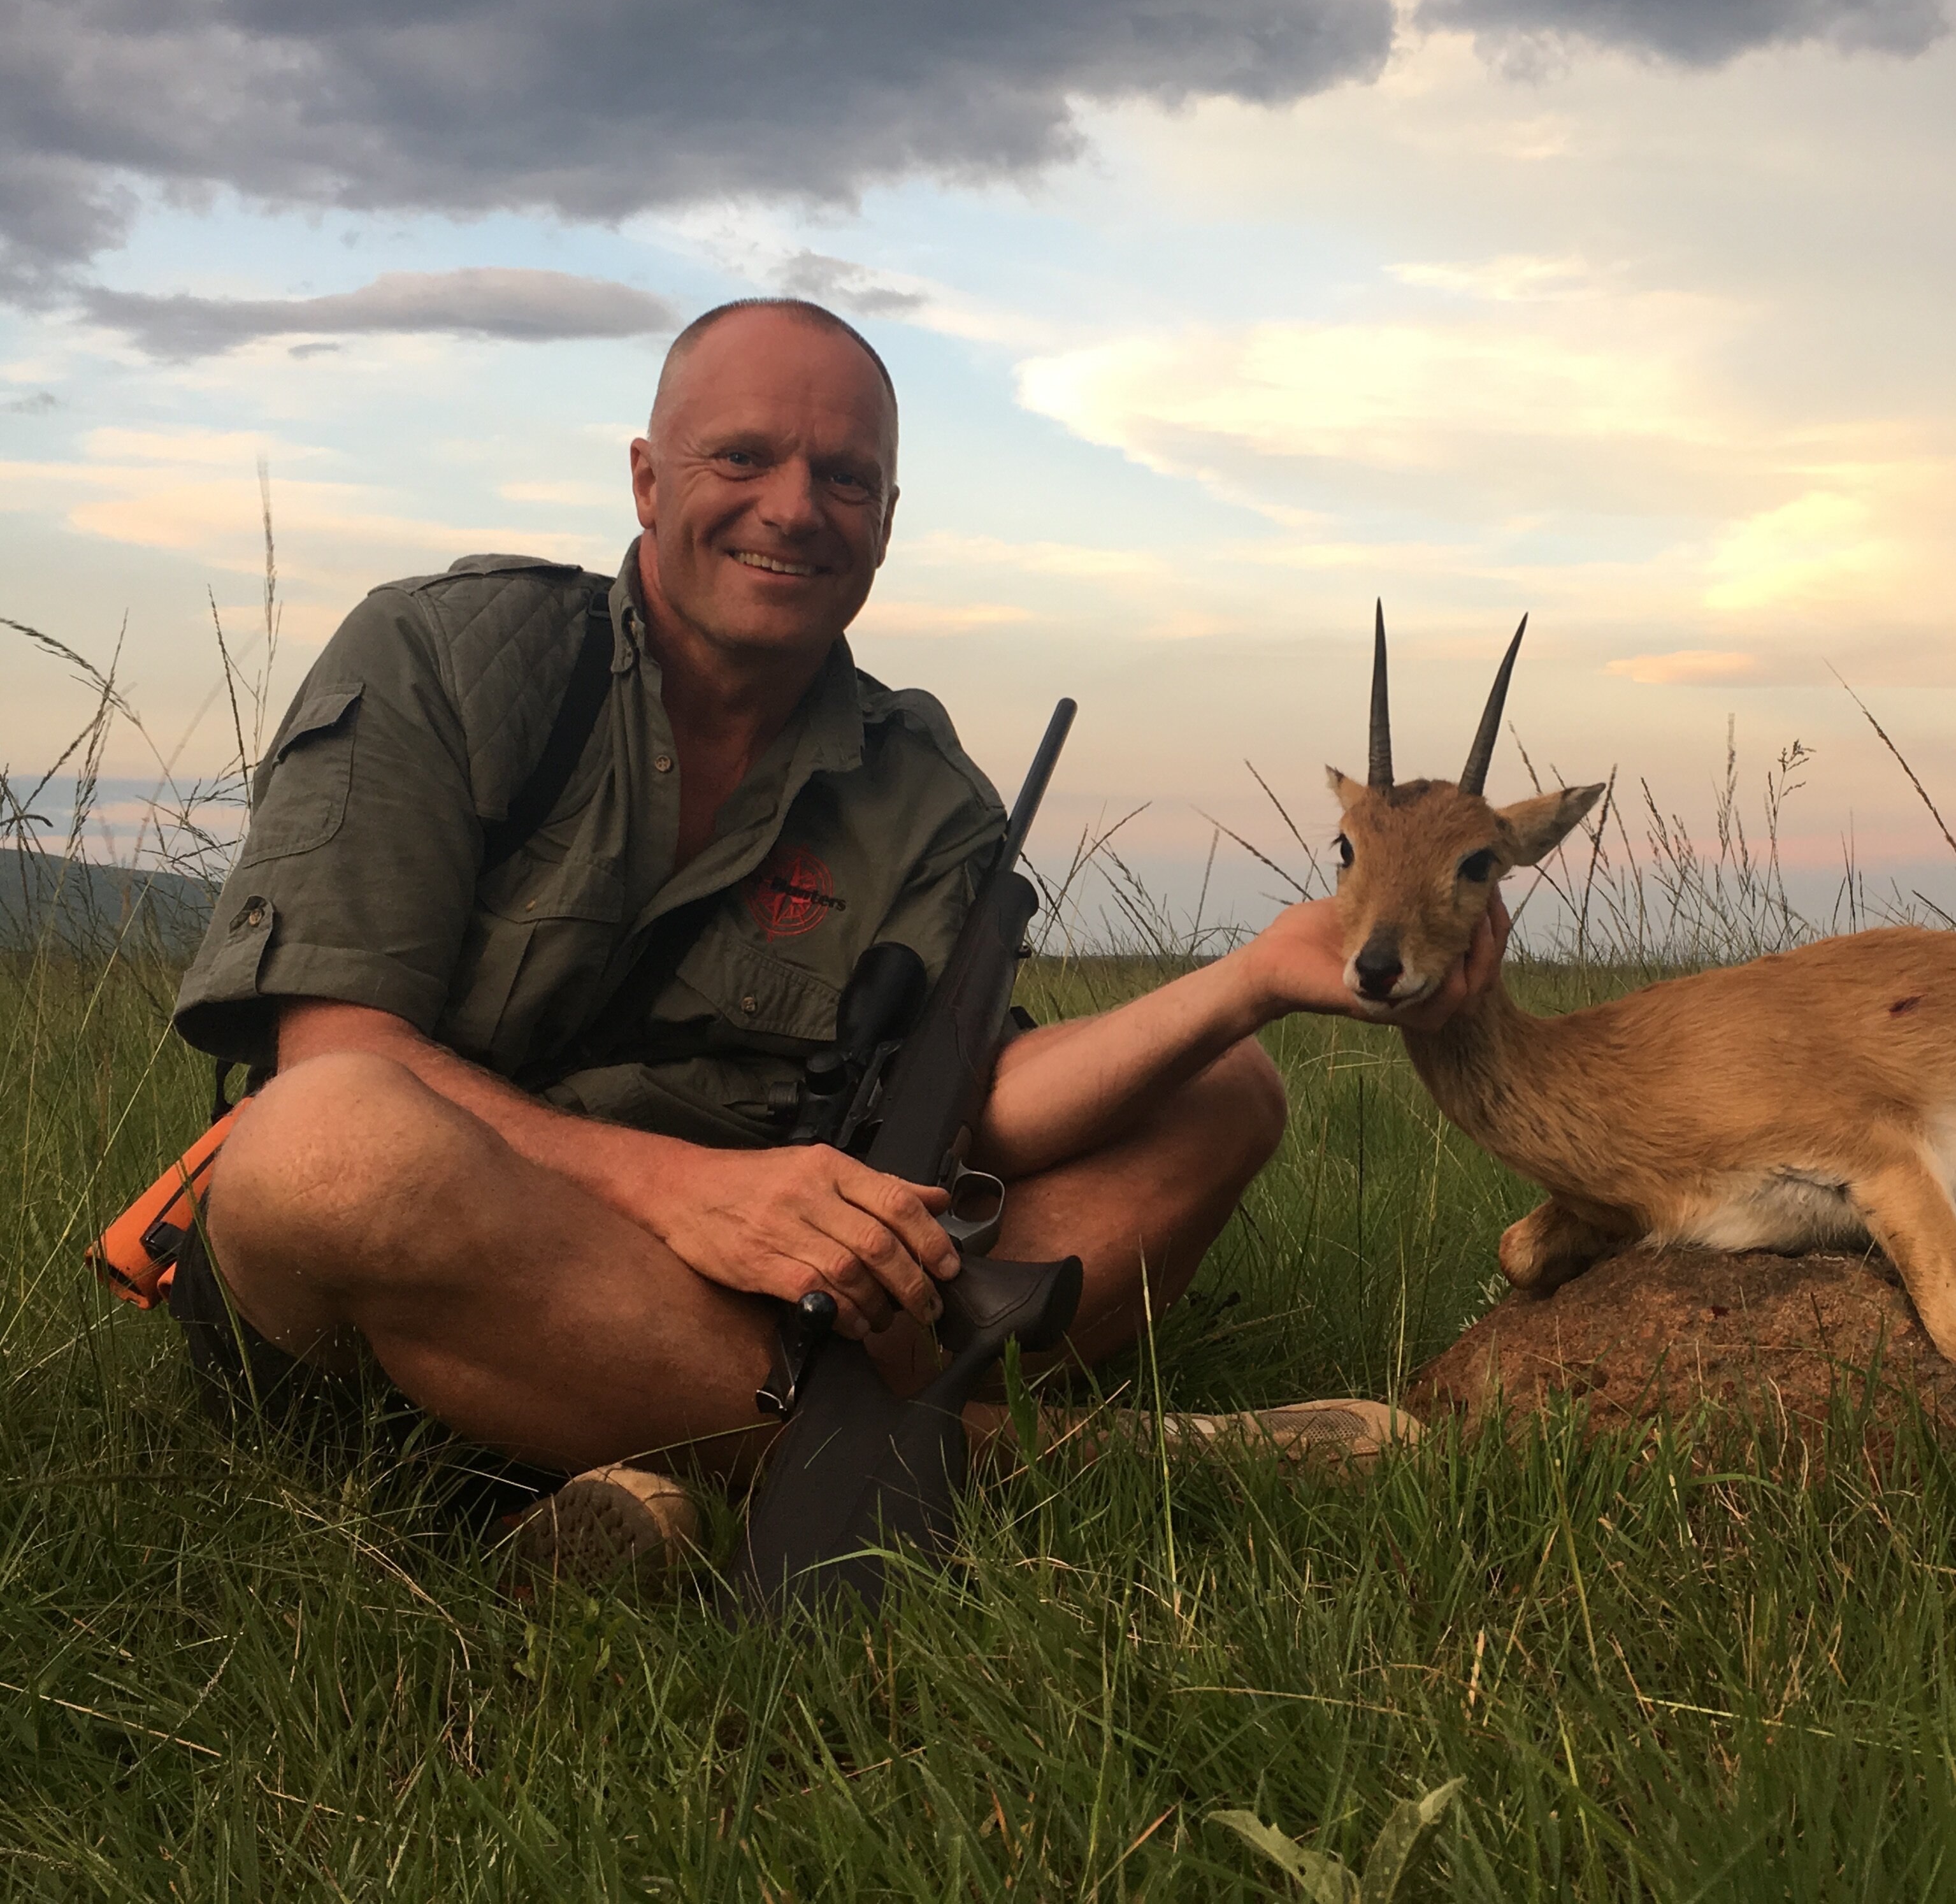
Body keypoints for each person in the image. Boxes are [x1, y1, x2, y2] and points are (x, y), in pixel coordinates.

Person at [164, 297, 1503, 1556]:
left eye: (844, 479)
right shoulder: (444, 655)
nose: (794, 510)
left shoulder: (925, 790)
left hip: (781, 1293)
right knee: (326, 1140)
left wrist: (1249, 983)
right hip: (449, 1277)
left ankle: (631, 1487)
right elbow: (333, 1040)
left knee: (1221, 1092)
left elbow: (968, 1106)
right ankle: (1053, 1462)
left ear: (886, 518)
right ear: (646, 479)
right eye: (741, 456)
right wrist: (690, 1194)